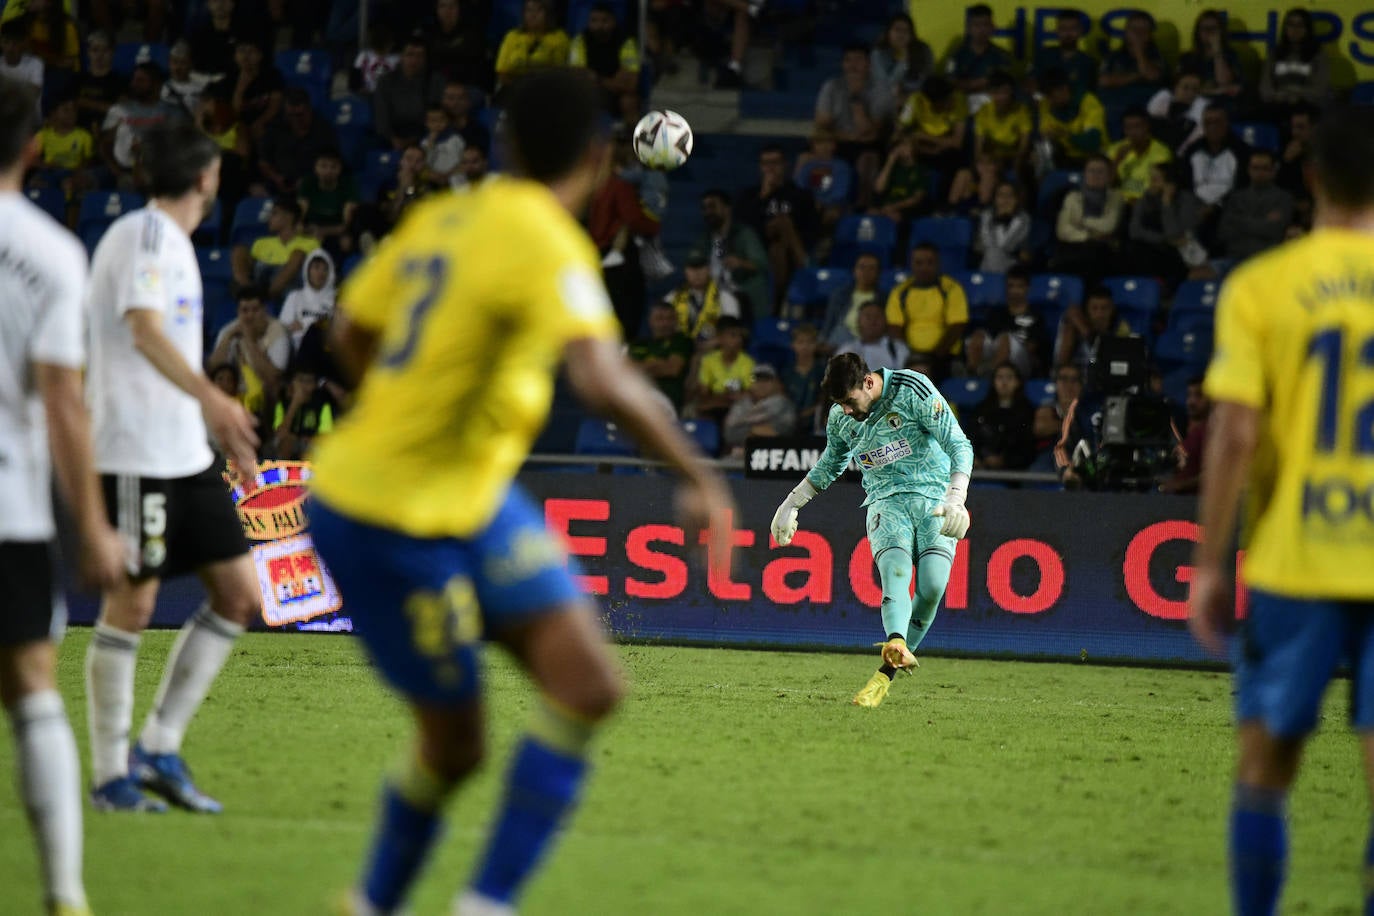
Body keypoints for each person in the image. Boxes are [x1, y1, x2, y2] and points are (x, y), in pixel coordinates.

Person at [308, 69, 734, 916]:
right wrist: (700, 479)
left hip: (465, 492)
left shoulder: (442, 215)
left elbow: (349, 331)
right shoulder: (545, 239)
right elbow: (602, 378)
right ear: (601, 156)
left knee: (588, 686)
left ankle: (483, 905)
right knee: (457, 745)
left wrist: (413, 409)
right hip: (382, 510)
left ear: (504, 145)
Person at [1187, 107, 1374, 916]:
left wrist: (1207, 565)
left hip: (1298, 559)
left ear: (1309, 176)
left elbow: (1234, 431)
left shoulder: (1262, 286)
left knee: (1265, 769)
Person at [84, 121, 261, 814]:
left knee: (239, 594)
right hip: (133, 451)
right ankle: (108, 776)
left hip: (182, 454)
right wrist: (216, 399)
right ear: (206, 178)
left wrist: (224, 441)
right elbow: (143, 327)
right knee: (133, 602)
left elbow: (164, 352)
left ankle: (158, 745)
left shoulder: (175, 245)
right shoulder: (148, 236)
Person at [0, 75, 125, 916]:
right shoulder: (50, 252)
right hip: (9, 505)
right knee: (33, 680)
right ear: (35, 145)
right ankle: (63, 893)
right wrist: (92, 523)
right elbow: (65, 407)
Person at [770, 352, 972, 707]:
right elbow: (831, 464)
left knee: (933, 586)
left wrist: (957, 496)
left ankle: (886, 674)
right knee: (895, 572)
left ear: (868, 383)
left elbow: (958, 443)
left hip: (934, 498)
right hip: (885, 501)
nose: (846, 410)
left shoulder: (912, 389)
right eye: (839, 404)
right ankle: (895, 639)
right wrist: (791, 503)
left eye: (848, 401)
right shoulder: (841, 419)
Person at [734, 143, 816, 313]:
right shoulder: (748, 196)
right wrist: (764, 195)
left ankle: (777, 302)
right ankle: (803, 268)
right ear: (760, 167)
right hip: (758, 251)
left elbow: (811, 229)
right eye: (766, 163)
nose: (771, 168)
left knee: (782, 230)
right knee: (778, 234)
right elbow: (742, 228)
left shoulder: (800, 195)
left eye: (776, 163)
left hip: (791, 251)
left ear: (785, 165)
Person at [814, 42, 894, 209]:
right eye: (848, 60)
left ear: (868, 64)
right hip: (839, 140)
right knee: (808, 158)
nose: (853, 66)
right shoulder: (831, 87)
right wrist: (843, 136)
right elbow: (821, 127)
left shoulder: (881, 90)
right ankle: (819, 205)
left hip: (869, 145)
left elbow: (870, 133)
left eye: (858, 60)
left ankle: (862, 207)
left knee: (867, 160)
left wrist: (856, 100)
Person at [885, 242, 969, 376]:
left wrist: (935, 356)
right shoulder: (900, 292)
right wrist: (909, 354)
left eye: (930, 262)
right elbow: (895, 327)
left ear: (938, 264)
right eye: (919, 263)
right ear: (911, 264)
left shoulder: (952, 289)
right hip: (910, 357)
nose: (924, 268)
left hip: (944, 356)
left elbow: (957, 326)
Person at [695, 189, 768, 321]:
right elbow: (694, 264)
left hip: (742, 295)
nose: (708, 212)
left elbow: (761, 264)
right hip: (713, 294)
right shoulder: (705, 238)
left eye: (712, 206)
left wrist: (740, 263)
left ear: (727, 208)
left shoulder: (745, 234)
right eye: (704, 208)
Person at [965, 265, 1046, 379]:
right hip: (995, 355)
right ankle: (970, 373)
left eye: (1020, 286)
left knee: (1005, 337)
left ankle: (992, 375)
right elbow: (988, 339)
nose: (1015, 291)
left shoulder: (1036, 315)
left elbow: (1032, 348)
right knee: (978, 334)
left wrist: (1009, 345)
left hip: (1022, 361)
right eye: (1011, 286)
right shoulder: (996, 313)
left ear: (1027, 288)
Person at [568, 2, 640, 123]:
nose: (599, 25)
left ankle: (631, 139)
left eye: (604, 20)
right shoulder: (580, 41)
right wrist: (613, 82)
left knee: (629, 101)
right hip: (592, 92)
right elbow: (577, 77)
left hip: (617, 95)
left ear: (613, 22)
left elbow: (631, 83)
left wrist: (597, 79)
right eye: (594, 21)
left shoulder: (626, 42)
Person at [1218, 149, 1293, 261]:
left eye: (1265, 168)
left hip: (1269, 260)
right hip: (1236, 259)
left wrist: (1239, 221)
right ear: (1248, 170)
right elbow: (1224, 232)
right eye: (1255, 168)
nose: (1259, 172)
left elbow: (1275, 231)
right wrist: (1263, 222)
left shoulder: (1284, 198)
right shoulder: (1236, 197)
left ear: (1273, 171)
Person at [1258, 8, 1331, 116]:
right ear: (1285, 28)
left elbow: (1320, 89)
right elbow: (1265, 87)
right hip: (1277, 104)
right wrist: (1278, 96)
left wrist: (1297, 94)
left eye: (1300, 25)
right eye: (1291, 25)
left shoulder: (1318, 55)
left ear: (1307, 29)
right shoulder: (1275, 54)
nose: (1294, 29)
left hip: (1307, 105)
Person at [968, 361, 1035, 469]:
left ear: (1018, 382)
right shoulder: (981, 410)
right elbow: (972, 436)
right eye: (1000, 377)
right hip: (980, 466)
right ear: (994, 382)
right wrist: (977, 458)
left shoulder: (1027, 412)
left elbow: (1027, 446)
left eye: (1009, 377)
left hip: (1015, 471)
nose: (1004, 382)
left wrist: (1005, 461)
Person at [628, 301, 693, 412]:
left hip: (666, 402)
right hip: (637, 400)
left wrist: (640, 368)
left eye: (670, 319)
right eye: (660, 319)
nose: (665, 323)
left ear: (676, 321)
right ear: (650, 321)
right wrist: (657, 363)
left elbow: (672, 369)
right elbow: (625, 372)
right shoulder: (637, 344)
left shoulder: (681, 341)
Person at [494, 0, 569, 95]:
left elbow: (558, 73)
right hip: (514, 89)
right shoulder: (512, 36)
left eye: (539, 10)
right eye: (529, 10)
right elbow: (502, 72)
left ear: (548, 14)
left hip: (546, 90)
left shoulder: (559, 38)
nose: (533, 15)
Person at [1037, 66, 1107, 167]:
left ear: (1063, 89)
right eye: (1046, 96)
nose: (1049, 101)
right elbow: (1045, 135)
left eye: (1051, 96)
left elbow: (1093, 142)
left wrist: (1066, 135)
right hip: (1065, 157)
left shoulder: (1088, 102)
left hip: (1092, 157)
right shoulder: (1046, 103)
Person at [942, 3, 1015, 97]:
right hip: (961, 103)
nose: (981, 30)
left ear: (992, 27)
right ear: (968, 28)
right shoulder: (957, 54)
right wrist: (973, 84)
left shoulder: (1001, 56)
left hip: (991, 103)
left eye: (985, 25)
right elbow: (949, 81)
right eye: (976, 25)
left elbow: (1006, 85)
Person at [722, 362, 797, 452]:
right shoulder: (741, 405)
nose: (761, 384)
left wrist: (751, 432)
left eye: (766, 380)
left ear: (775, 383)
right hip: (741, 454)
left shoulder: (783, 405)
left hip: (775, 453)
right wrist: (754, 431)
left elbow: (785, 432)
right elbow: (729, 434)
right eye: (757, 380)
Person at [1109, 106, 1172, 205]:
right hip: (1117, 205)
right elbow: (1105, 185)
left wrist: (1137, 203)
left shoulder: (1161, 152)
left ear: (1147, 126)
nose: (1132, 132)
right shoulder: (1115, 149)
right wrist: (1116, 161)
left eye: (1137, 126)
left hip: (1146, 205)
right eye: (1128, 128)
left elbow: (1158, 189)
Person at [819, 251, 881, 350]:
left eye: (871, 268)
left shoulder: (883, 298)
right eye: (862, 267)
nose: (866, 272)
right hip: (841, 339)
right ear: (854, 271)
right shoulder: (840, 294)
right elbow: (830, 322)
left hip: (869, 341)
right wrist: (822, 342)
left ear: (878, 273)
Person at [1177, 10, 1242, 102]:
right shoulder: (1188, 57)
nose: (1209, 32)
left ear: (1220, 31)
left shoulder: (1230, 55)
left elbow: (1225, 82)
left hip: (1220, 104)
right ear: (1198, 32)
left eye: (1213, 28)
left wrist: (1217, 51)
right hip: (1193, 102)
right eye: (1205, 28)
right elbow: (1182, 88)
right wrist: (1214, 91)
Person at [279, 248, 336, 350]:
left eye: (325, 269)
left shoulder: (337, 298)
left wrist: (304, 326)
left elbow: (338, 331)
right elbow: (283, 329)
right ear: (307, 270)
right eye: (316, 267)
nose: (320, 273)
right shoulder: (294, 296)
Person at [1159, 377, 1208, 494]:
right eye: (1189, 395)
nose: (1191, 401)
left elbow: (1216, 473)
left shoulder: (1213, 433)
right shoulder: (1180, 429)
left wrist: (1180, 485)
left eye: (1198, 395)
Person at [870, 12, 932, 96]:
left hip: (917, 98)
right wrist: (902, 62)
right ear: (888, 33)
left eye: (905, 31)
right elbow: (884, 86)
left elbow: (927, 80)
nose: (901, 35)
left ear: (911, 35)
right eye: (897, 30)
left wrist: (905, 89)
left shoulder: (922, 50)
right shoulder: (878, 53)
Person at [975, 180, 1029, 272]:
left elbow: (1008, 247)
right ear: (995, 199)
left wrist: (1003, 221)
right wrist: (999, 221)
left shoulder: (1023, 218)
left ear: (1016, 199)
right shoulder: (986, 215)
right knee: (992, 253)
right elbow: (982, 246)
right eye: (1001, 195)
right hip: (987, 262)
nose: (1005, 199)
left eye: (1010, 195)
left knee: (994, 253)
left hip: (1013, 265)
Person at [838, 301, 910, 371]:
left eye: (877, 316)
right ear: (858, 321)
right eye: (868, 316)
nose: (873, 320)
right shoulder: (846, 350)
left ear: (885, 321)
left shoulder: (898, 348)